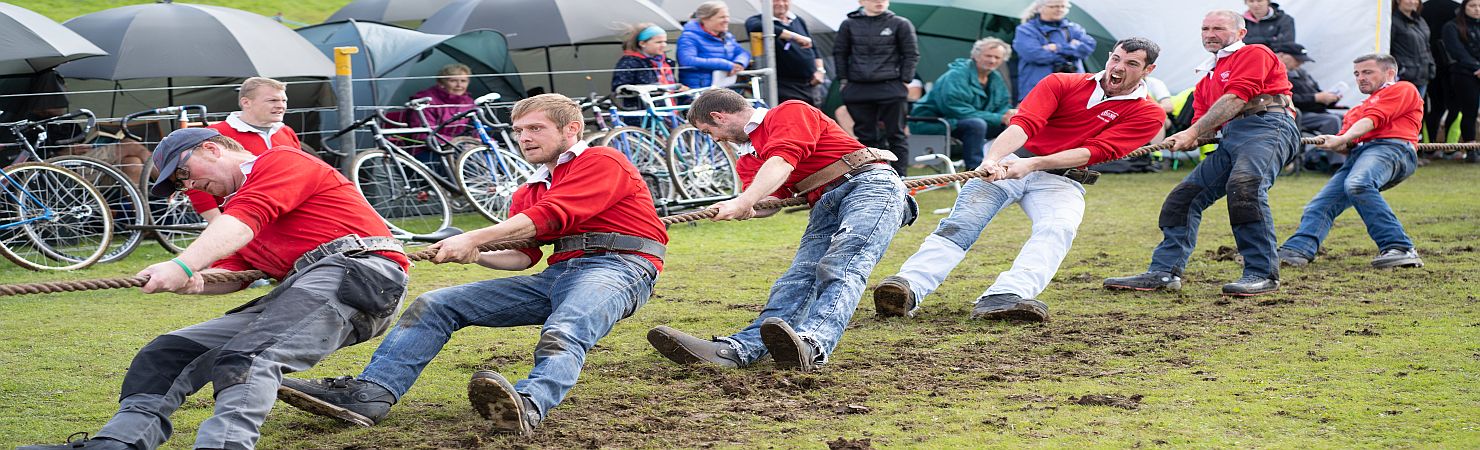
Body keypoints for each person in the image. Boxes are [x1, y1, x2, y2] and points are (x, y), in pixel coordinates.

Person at [275, 94, 667, 436]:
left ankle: (527, 405)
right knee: (436, 304)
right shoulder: (528, 190)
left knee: (566, 327)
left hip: (620, 268)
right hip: (557, 276)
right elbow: (523, 256)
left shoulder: (602, 160)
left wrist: (473, 238)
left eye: (535, 128)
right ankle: (371, 393)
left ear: (572, 129)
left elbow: (551, 216)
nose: (524, 138)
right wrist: (477, 254)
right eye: (518, 130)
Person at [18, 127, 411, 450]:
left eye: (184, 174)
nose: (188, 186)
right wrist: (194, 281)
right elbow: (234, 271)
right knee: (167, 352)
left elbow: (244, 222)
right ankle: (118, 444)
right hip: (305, 290)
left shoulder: (279, 161)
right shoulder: (237, 212)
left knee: (248, 358)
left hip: (360, 276)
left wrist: (182, 264)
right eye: (179, 184)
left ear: (210, 148)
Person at [874, 38, 1165, 322]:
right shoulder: (1061, 82)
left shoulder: (1149, 113)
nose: (1118, 67)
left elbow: (1096, 151)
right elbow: (1025, 123)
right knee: (962, 223)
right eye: (1115, 58)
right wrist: (993, 159)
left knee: (1058, 228)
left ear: (1147, 70)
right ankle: (908, 287)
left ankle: (1006, 295)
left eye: (1131, 63)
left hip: (1061, 179)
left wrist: (1034, 164)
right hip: (1010, 160)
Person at [647, 90, 912, 372]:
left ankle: (813, 344)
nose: (715, 139)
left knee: (842, 264)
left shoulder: (788, 112)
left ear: (718, 116)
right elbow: (772, 201)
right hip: (825, 202)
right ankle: (737, 350)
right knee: (797, 277)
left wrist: (744, 200)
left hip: (870, 186)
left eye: (709, 131)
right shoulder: (747, 159)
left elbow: (782, 161)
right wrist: (743, 207)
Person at [1103, 10, 1300, 297]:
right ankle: (1164, 272)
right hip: (1233, 136)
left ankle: (1262, 274)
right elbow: (1204, 125)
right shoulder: (1207, 78)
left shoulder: (1255, 52)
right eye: (1205, 28)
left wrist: (1194, 132)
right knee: (1182, 199)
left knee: (1245, 187)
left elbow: (1236, 98)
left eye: (1218, 28)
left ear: (1241, 33)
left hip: (1269, 126)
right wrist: (1191, 136)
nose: (1210, 34)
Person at [1277, 54, 1426, 270]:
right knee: (1320, 205)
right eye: (1357, 74)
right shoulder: (1356, 110)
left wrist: (1344, 138)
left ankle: (1400, 248)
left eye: (1367, 72)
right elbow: (1347, 144)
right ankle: (1297, 250)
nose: (1360, 78)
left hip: (1392, 149)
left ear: (1389, 73)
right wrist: (1334, 143)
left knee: (1358, 184)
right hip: (1362, 154)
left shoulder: (1402, 89)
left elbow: (1374, 119)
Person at [194, 76, 302, 221]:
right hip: (241, 218)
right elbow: (196, 183)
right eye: (272, 100)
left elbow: (300, 175)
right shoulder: (215, 134)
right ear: (246, 102)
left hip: (287, 216)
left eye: (284, 100)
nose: (281, 106)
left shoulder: (286, 132)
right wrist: (217, 221)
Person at [836, 0, 919, 175]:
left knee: (896, 135)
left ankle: (900, 178)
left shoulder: (900, 23)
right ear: (861, 1)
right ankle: (871, 177)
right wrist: (844, 81)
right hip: (858, 89)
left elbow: (911, 54)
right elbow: (840, 54)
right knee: (865, 137)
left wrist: (905, 80)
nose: (879, 2)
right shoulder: (848, 24)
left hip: (891, 87)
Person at [908, 37, 1016, 170]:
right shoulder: (957, 75)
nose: (992, 60)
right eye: (988, 55)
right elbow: (955, 109)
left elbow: (1003, 103)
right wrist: (999, 117)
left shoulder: (995, 78)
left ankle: (998, 166)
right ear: (976, 55)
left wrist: (1008, 115)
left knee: (1012, 125)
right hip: (932, 121)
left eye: (997, 57)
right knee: (976, 125)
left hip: (965, 122)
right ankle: (974, 171)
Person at [1012, 0, 1096, 102]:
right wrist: (1072, 51)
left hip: (1073, 89)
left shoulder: (1073, 28)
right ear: (1039, 8)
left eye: (1063, 6)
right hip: (1038, 89)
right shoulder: (1025, 30)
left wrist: (1058, 48)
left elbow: (1089, 46)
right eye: (1054, 6)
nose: (1059, 9)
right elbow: (1035, 55)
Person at [746, 0, 826, 107]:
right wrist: (795, 37)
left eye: (784, 0)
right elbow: (756, 27)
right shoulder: (757, 21)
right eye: (775, 0)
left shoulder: (798, 20)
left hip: (810, 85)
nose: (781, 4)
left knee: (813, 120)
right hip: (785, 86)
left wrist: (820, 70)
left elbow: (814, 47)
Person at [677, 1, 751, 89]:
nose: (727, 20)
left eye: (727, 17)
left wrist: (739, 63)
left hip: (724, 89)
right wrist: (725, 65)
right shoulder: (689, 37)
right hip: (699, 92)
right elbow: (687, 60)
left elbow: (743, 53)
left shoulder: (727, 36)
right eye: (722, 17)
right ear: (705, 19)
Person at [1274, 43, 1343, 136]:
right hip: (1293, 113)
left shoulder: (1302, 72)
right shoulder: (1273, 72)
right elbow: (1282, 98)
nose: (1301, 63)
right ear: (1281, 55)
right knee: (1332, 120)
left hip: (1313, 111)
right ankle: (1327, 150)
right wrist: (1315, 98)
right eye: (1297, 59)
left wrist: (1330, 98)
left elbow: (1316, 91)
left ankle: (1346, 149)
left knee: (1346, 118)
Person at [611, 22, 680, 109]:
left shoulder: (665, 62)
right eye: (658, 42)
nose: (664, 45)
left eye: (665, 41)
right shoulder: (629, 62)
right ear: (642, 43)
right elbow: (619, 88)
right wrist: (647, 89)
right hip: (643, 113)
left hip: (669, 109)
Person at [1441, 0, 1480, 148]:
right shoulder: (1452, 26)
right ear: (1464, 8)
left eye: (1479, 6)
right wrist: (1476, 67)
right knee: (1468, 112)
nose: (1477, 9)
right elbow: (1456, 51)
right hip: (1464, 74)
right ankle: (1470, 148)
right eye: (1473, 6)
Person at [1424, 0, 1461, 144]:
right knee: (1454, 107)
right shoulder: (1457, 8)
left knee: (1436, 107)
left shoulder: (1423, 7)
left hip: (1432, 65)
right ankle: (1450, 148)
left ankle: (1430, 146)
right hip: (1451, 67)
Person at [1393, 0, 1437, 96]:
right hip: (1404, 77)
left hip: (1423, 75)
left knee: (1417, 109)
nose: (1412, 2)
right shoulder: (1392, 21)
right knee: (1403, 109)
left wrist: (1431, 65)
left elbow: (1426, 45)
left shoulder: (1420, 20)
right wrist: (1399, 69)